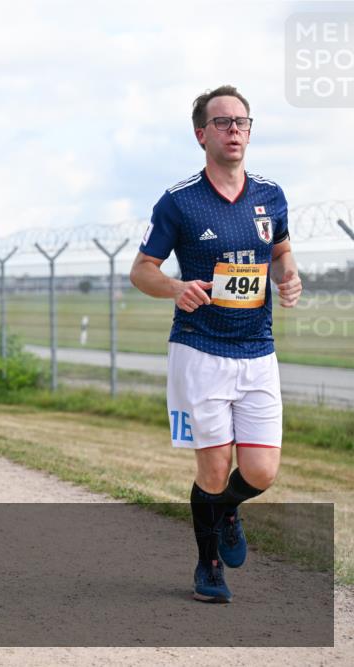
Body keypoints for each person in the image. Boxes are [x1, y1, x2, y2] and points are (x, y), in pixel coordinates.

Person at [129, 85, 302, 604]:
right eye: (222, 122)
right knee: (212, 467)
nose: (234, 130)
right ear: (201, 134)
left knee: (261, 471)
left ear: (249, 131)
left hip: (258, 349)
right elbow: (142, 271)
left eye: (241, 122)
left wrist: (289, 277)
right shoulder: (180, 201)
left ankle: (226, 509)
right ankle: (207, 566)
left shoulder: (270, 194)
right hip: (200, 348)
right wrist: (176, 288)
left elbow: (281, 252)